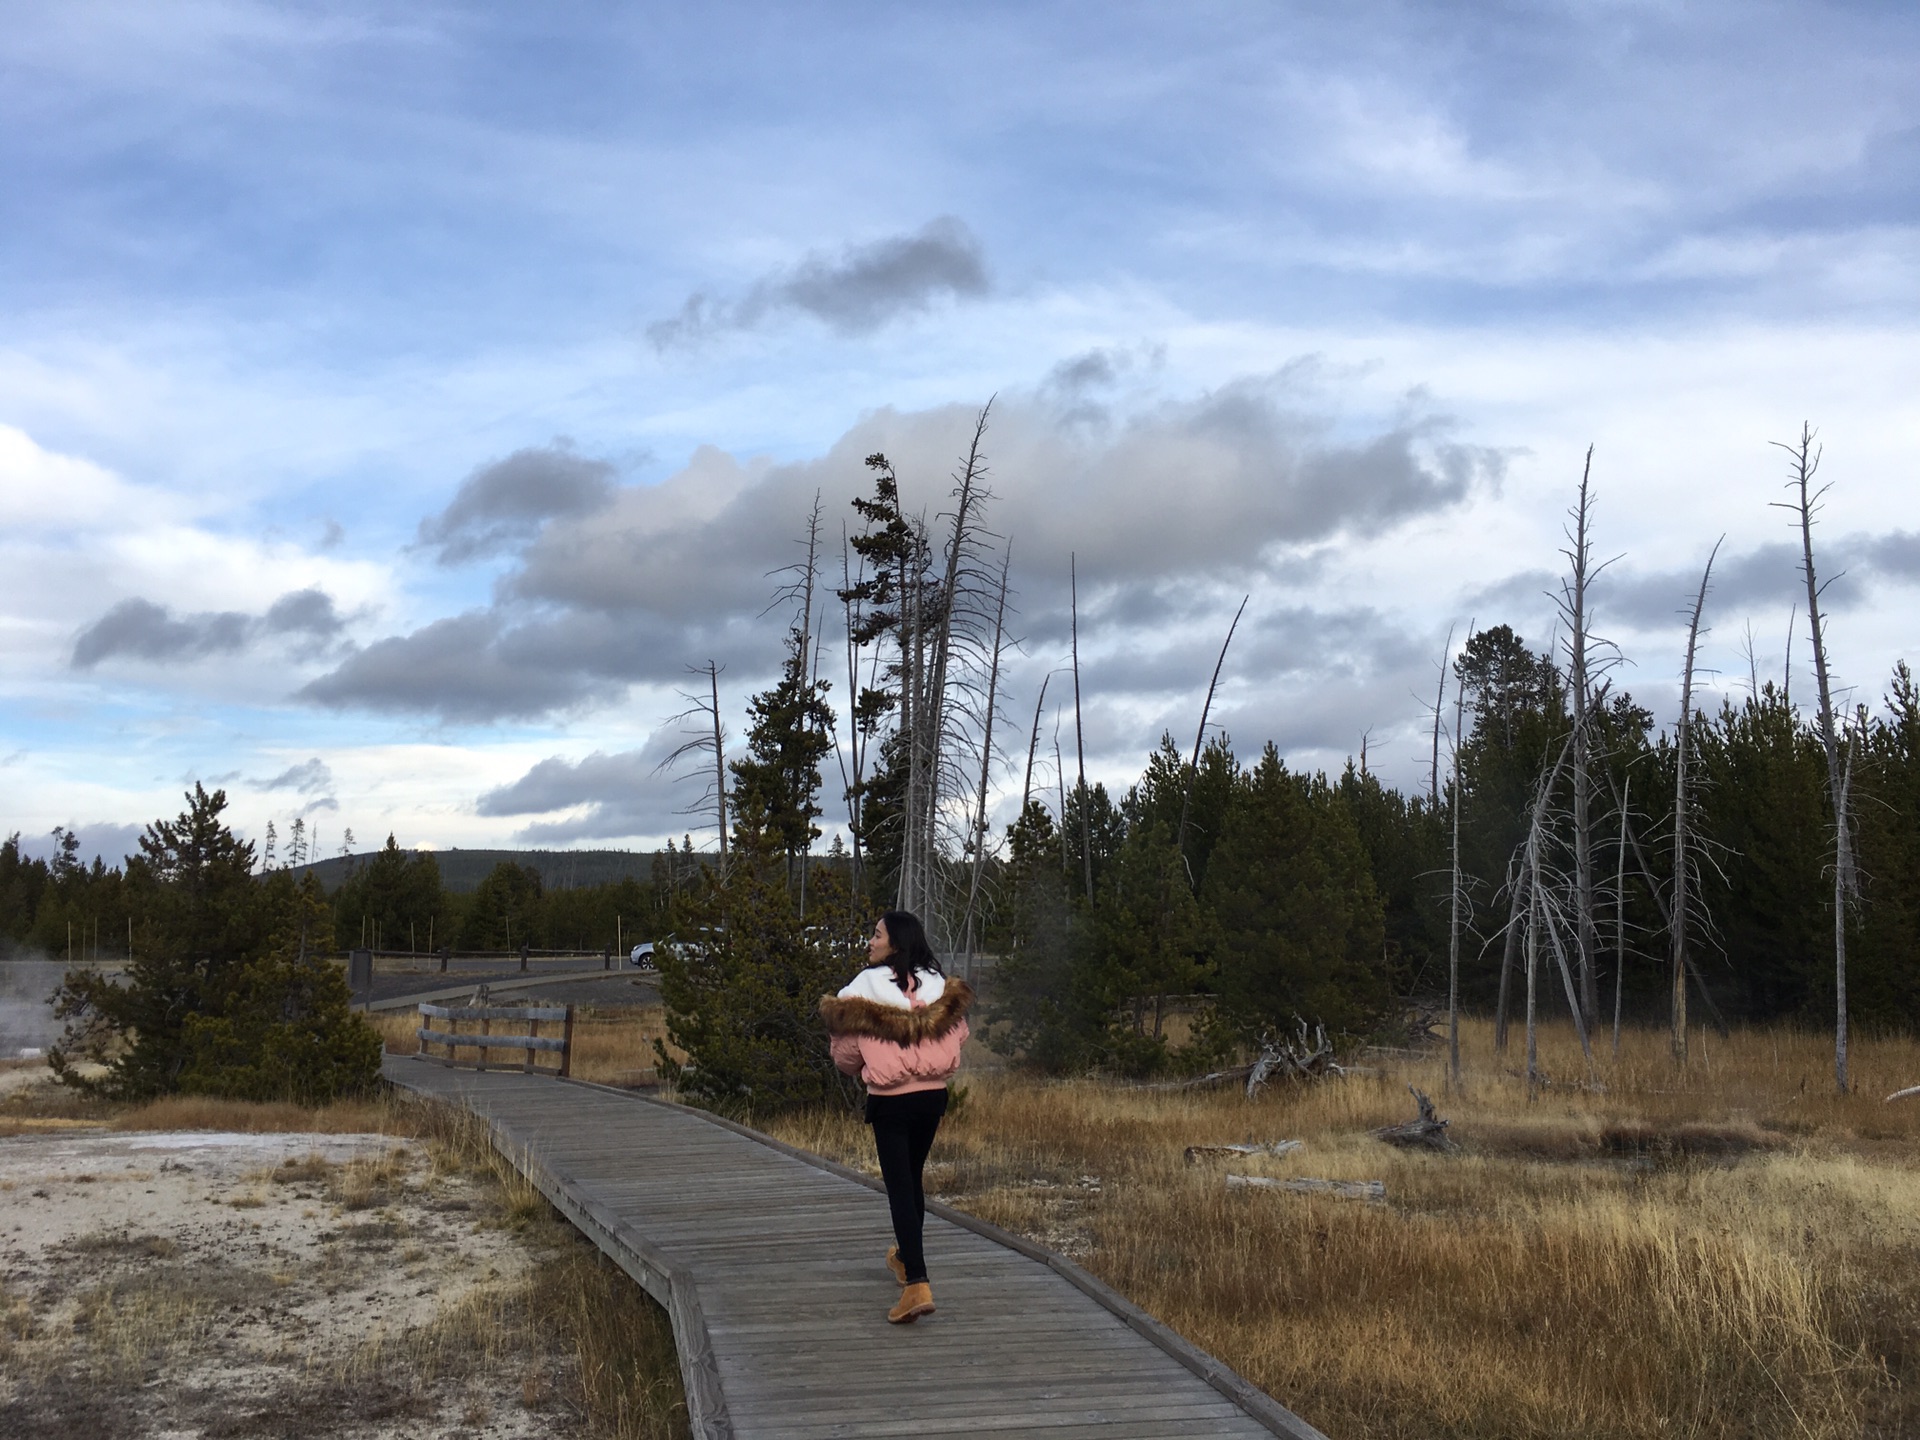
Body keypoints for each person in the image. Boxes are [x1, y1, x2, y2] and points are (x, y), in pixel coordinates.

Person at [820, 910, 972, 1324]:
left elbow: (846, 1053)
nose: (870, 942)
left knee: (900, 1188)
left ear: (895, 944)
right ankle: (906, 1257)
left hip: (890, 1100)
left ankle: (917, 1285)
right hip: (933, 1098)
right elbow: (960, 1035)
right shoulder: (938, 986)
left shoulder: (862, 990)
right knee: (912, 1179)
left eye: (876, 935)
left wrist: (862, 1065)